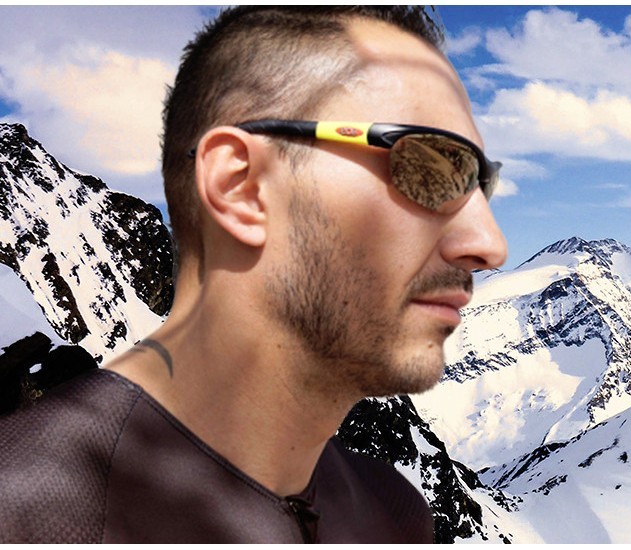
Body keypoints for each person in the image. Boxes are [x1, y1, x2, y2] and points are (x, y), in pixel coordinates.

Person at [0, 6, 507, 543]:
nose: (490, 244)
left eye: (481, 183)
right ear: (241, 185)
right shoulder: (28, 511)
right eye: (428, 166)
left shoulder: (395, 512)